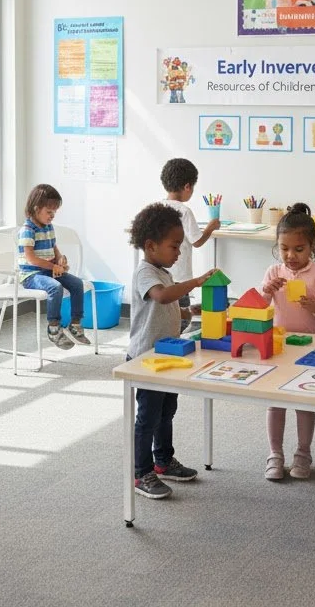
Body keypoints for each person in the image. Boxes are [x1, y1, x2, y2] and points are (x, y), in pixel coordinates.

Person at [127, 202, 213, 500]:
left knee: (166, 412)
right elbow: (162, 298)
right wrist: (198, 281)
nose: (178, 252)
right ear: (151, 246)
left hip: (166, 356)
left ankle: (163, 461)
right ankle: (142, 473)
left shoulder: (162, 272)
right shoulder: (145, 273)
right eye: (174, 246)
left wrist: (191, 309)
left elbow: (171, 307)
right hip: (145, 359)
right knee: (148, 418)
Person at [258, 204, 315, 481]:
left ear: (312, 247)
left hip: (310, 347)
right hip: (279, 346)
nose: (290, 256)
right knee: (275, 401)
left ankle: (303, 453)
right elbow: (260, 304)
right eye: (284, 249)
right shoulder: (273, 272)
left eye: (299, 249)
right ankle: (274, 453)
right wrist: (266, 291)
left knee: (304, 400)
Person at [16, 184, 90, 350]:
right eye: (49, 212)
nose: (52, 216)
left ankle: (75, 324)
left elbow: (54, 248)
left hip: (49, 270)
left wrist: (60, 260)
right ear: (36, 209)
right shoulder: (27, 230)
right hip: (32, 275)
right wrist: (52, 266)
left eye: (54, 212)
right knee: (55, 288)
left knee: (77, 283)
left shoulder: (48, 227)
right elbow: (31, 259)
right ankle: (54, 328)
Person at [160, 158, 220, 329]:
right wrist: (210, 227)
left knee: (167, 314)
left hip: (161, 275)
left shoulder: (157, 206)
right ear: (187, 186)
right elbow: (197, 241)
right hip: (180, 277)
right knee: (182, 318)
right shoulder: (184, 211)